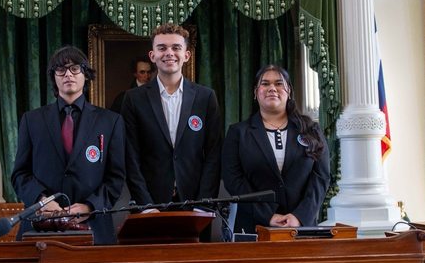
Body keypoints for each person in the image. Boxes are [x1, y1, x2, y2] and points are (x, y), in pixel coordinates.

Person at [10, 46, 125, 244]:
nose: (68, 75)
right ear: (53, 77)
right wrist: (43, 202)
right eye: (61, 70)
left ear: (85, 74)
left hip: (94, 224)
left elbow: (116, 177)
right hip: (41, 225)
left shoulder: (110, 121)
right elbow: (20, 174)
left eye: (75, 68)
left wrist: (90, 206)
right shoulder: (32, 120)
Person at [121, 23, 222, 209]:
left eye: (176, 48)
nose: (169, 53)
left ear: (186, 55)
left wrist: (204, 204)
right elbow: (130, 157)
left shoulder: (205, 97)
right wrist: (145, 205)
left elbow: (213, 155)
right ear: (152, 55)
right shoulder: (133, 99)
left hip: (196, 203)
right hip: (150, 205)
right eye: (162, 48)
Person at [222, 65, 330, 233]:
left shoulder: (311, 130)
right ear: (255, 92)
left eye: (279, 83)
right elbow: (233, 181)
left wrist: (299, 217)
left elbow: (321, 178)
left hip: (301, 228)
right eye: (265, 84)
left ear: (289, 92)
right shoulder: (238, 133)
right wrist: (268, 216)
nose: (272, 88)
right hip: (254, 227)